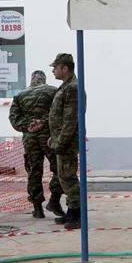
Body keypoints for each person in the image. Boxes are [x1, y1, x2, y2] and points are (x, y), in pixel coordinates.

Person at [8, 70, 64, 218]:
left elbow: (14, 119)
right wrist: (44, 123)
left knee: (34, 171)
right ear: (43, 79)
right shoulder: (53, 91)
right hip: (49, 137)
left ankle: (37, 208)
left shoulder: (20, 95)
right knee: (59, 168)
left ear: (32, 80)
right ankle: (54, 199)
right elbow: (59, 112)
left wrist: (28, 125)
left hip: (30, 138)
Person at [48, 53, 85, 229]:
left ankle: (77, 215)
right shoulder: (66, 87)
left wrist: (61, 142)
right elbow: (60, 117)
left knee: (68, 178)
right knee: (64, 178)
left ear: (65, 68)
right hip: (62, 140)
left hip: (67, 142)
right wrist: (53, 137)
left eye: (55, 67)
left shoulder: (72, 88)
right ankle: (72, 212)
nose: (53, 71)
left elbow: (70, 120)